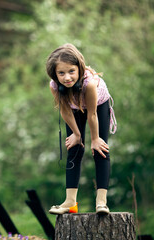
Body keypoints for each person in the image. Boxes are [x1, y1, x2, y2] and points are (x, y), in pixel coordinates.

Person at [46, 43, 117, 215]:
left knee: (100, 149)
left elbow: (92, 115)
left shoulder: (90, 84)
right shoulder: (55, 86)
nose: (67, 77)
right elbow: (64, 109)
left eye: (71, 71)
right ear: (55, 75)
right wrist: (77, 135)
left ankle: (101, 202)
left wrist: (94, 139)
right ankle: (70, 202)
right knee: (74, 148)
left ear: (79, 68)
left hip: (97, 105)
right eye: (61, 73)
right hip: (73, 107)